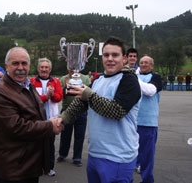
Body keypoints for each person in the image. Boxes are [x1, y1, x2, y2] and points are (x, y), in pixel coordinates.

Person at [59, 37, 141, 183]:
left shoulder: (129, 81)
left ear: (125, 58)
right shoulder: (98, 80)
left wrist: (88, 95)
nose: (110, 59)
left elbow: (116, 111)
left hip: (118, 157)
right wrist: (62, 119)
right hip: (95, 154)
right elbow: (81, 103)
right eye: (106, 55)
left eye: (115, 55)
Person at [0, 47, 63, 183]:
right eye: (15, 63)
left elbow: (35, 115)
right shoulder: (0, 92)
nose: (20, 67)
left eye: (24, 63)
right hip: (13, 170)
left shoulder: (28, 85)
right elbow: (16, 127)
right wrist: (48, 126)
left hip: (28, 166)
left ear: (29, 65)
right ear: (6, 66)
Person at [30, 57, 63, 177]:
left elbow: (59, 97)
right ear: (38, 69)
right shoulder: (32, 81)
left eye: (46, 67)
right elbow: (32, 99)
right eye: (42, 67)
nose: (44, 69)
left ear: (50, 69)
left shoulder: (55, 81)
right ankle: (36, 167)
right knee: (36, 144)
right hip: (36, 118)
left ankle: (49, 168)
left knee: (50, 144)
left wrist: (52, 95)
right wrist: (46, 97)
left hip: (51, 119)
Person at [136, 56, 162, 183]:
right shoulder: (134, 76)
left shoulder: (156, 77)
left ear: (152, 65)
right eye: (141, 62)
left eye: (146, 62)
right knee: (127, 154)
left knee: (147, 156)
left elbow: (150, 91)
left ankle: (147, 180)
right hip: (130, 122)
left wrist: (133, 77)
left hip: (148, 123)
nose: (143, 64)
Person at [57, 68, 90, 167]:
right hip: (67, 110)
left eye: (74, 66)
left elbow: (88, 95)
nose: (72, 69)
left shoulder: (85, 78)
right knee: (65, 134)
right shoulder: (63, 79)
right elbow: (60, 95)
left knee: (79, 135)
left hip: (81, 111)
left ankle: (77, 157)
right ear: (67, 67)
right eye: (70, 66)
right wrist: (66, 86)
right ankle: (62, 154)